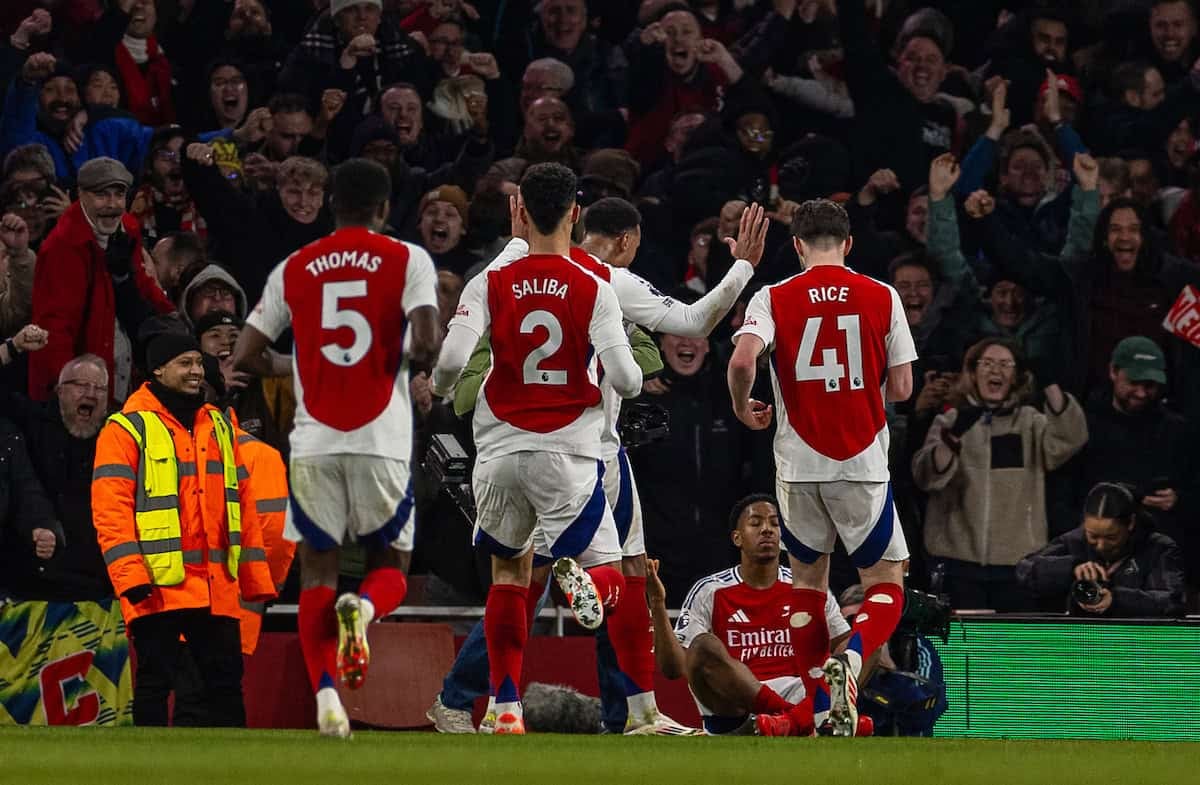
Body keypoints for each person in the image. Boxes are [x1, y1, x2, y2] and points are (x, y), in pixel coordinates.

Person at [427, 196, 767, 735]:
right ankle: (469, 697)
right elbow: (693, 323)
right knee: (560, 579)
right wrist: (743, 265)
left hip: (559, 448)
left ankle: (630, 712)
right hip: (576, 453)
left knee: (586, 573)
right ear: (628, 240)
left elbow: (460, 365)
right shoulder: (604, 280)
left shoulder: (504, 275)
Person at [232, 158, 441, 738]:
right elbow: (425, 343)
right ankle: (366, 611)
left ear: (330, 205)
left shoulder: (294, 266)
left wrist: (302, 364)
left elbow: (246, 356)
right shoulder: (408, 259)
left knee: (317, 574)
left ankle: (327, 698)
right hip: (382, 439)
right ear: (384, 209)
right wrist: (401, 357)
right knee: (390, 564)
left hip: (314, 441)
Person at [431, 162, 642, 734]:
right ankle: (585, 585)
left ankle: (505, 708)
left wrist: (443, 390)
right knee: (611, 574)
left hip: (499, 454)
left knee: (509, 576)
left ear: (517, 211)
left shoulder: (488, 281)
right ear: (576, 213)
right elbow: (627, 379)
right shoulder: (593, 284)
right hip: (567, 453)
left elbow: (450, 362)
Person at [727, 198, 917, 737]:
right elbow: (902, 387)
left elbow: (743, 360)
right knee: (887, 580)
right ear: (848, 244)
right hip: (860, 460)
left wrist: (745, 407)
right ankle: (853, 657)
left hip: (797, 464)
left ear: (797, 246)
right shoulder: (882, 295)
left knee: (808, 583)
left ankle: (811, 711)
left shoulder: (773, 296)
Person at [91, 332, 276, 726]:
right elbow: (111, 512)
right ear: (157, 369)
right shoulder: (125, 429)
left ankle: (233, 770)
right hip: (159, 585)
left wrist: (255, 579)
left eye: (197, 362)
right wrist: (130, 577)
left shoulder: (220, 426)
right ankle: (148, 772)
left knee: (226, 684)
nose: (196, 371)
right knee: (155, 683)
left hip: (215, 587)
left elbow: (243, 506)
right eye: (185, 363)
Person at [648, 495, 855, 736]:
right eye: (756, 523)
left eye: (775, 523)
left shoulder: (807, 587)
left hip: (797, 690)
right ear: (737, 538)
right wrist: (657, 603)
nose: (766, 530)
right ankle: (794, 720)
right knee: (703, 645)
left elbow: (843, 644)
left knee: (860, 644)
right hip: (733, 705)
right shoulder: (710, 590)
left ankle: (794, 720)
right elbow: (673, 669)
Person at [911, 337, 1088, 611]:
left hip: (1018, 563)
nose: (996, 370)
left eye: (1006, 364)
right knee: (961, 647)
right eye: (988, 363)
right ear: (972, 372)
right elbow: (925, 476)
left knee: (1011, 647)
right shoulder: (949, 420)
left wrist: (1051, 384)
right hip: (957, 563)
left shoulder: (1031, 422)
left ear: (1016, 375)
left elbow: (1070, 438)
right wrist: (951, 441)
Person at [28, 157, 174, 403]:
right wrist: (66, 391)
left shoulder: (127, 228)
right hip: (85, 389)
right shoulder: (62, 247)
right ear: (81, 195)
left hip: (125, 376)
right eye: (102, 195)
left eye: (118, 195)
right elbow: (54, 328)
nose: (113, 205)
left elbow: (142, 284)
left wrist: (171, 319)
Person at [1016, 482, 1187, 617]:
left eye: (1111, 537)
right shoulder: (1073, 541)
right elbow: (1024, 569)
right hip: (1078, 641)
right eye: (1093, 536)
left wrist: (1116, 599)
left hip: (1135, 645)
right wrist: (1071, 568)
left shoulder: (1158, 548)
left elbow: (1172, 602)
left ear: (1131, 523)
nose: (1101, 545)